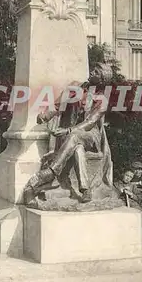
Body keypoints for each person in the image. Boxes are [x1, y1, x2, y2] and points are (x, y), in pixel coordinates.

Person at [23, 63, 114, 205]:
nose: (92, 72)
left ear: (101, 80)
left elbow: (90, 122)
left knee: (74, 136)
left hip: (90, 135)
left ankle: (50, 172)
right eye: (93, 69)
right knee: (78, 148)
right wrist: (46, 116)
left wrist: (68, 130)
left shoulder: (102, 100)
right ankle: (85, 189)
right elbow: (61, 105)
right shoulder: (77, 87)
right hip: (75, 137)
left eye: (96, 72)